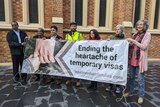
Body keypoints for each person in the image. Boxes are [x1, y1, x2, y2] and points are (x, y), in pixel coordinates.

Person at [123, 20, 151, 104]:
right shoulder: (134, 35)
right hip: (132, 60)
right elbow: (132, 46)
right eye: (138, 24)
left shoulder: (147, 35)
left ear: (144, 26)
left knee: (140, 79)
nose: (139, 26)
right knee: (131, 78)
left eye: (141, 24)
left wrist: (133, 41)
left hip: (140, 61)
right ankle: (130, 91)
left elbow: (144, 47)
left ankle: (141, 96)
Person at [105, 24, 125, 94]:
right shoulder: (111, 37)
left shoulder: (124, 39)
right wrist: (107, 42)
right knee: (111, 71)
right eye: (116, 29)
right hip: (112, 58)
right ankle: (110, 85)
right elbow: (107, 46)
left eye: (119, 29)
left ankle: (117, 86)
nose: (117, 30)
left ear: (122, 30)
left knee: (118, 72)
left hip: (119, 58)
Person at [65, 22, 83, 87]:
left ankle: (78, 80)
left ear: (76, 27)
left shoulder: (79, 34)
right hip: (69, 53)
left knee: (77, 67)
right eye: (72, 26)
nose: (73, 27)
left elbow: (82, 44)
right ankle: (69, 79)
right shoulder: (67, 35)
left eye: (74, 26)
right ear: (70, 27)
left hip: (76, 53)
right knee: (69, 66)